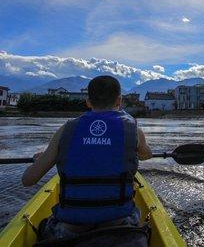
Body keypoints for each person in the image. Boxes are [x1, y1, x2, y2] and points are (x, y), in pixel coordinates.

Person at [22, 75, 152, 239]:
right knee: (137, 214)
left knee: (44, 227)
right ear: (119, 101)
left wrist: (44, 158)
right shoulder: (133, 130)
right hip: (120, 225)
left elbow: (27, 180)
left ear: (88, 102)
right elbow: (147, 154)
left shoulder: (66, 130)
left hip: (71, 228)